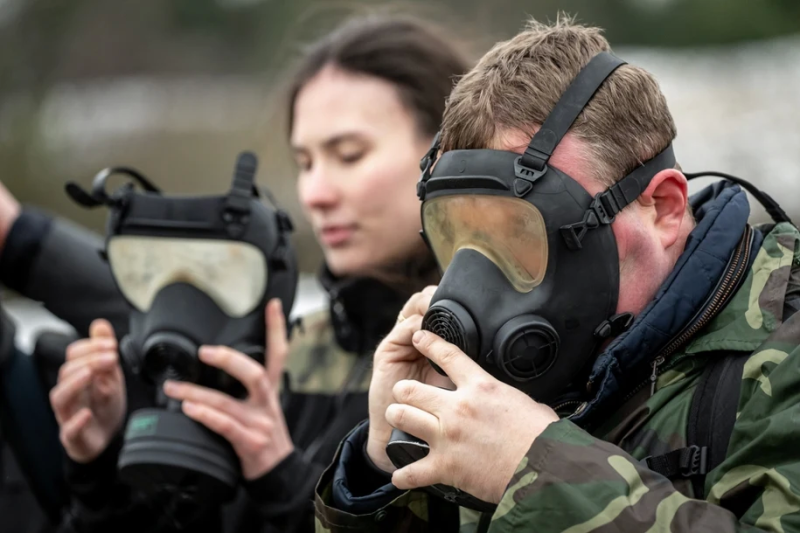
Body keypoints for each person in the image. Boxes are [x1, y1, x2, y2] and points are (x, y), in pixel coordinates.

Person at [313, 17, 800, 533]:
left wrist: (538, 472)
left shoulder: (781, 354)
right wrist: (386, 465)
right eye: (461, 236)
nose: (480, 280)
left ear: (663, 207)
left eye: (522, 233)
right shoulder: (506, 378)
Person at [0, 13, 470, 533]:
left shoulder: (482, 366)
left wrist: (282, 475)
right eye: (305, 162)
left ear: (444, 155)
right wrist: (96, 470)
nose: (315, 192)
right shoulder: (283, 351)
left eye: (348, 155)